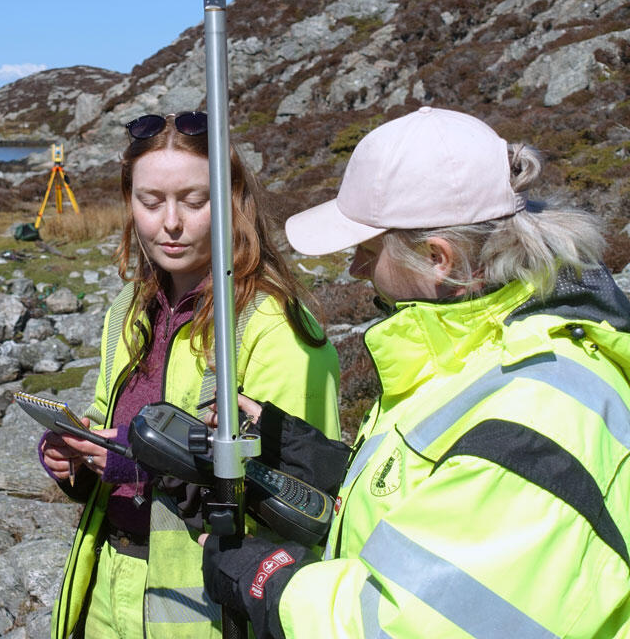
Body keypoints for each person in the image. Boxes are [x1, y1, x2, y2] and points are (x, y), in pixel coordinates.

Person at [202, 106, 630, 638]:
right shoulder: (474, 359)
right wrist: (318, 461)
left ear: (438, 258)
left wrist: (270, 583)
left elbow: (408, 624)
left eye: (367, 249)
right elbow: (442, 503)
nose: (355, 269)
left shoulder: (536, 416)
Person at [41, 111, 341, 639]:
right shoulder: (128, 308)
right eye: (150, 202)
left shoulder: (275, 328)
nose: (170, 222)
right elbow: (102, 418)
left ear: (232, 201)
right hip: (109, 589)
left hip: (207, 608)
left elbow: (306, 500)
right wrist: (75, 456)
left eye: (195, 201)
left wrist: (132, 465)